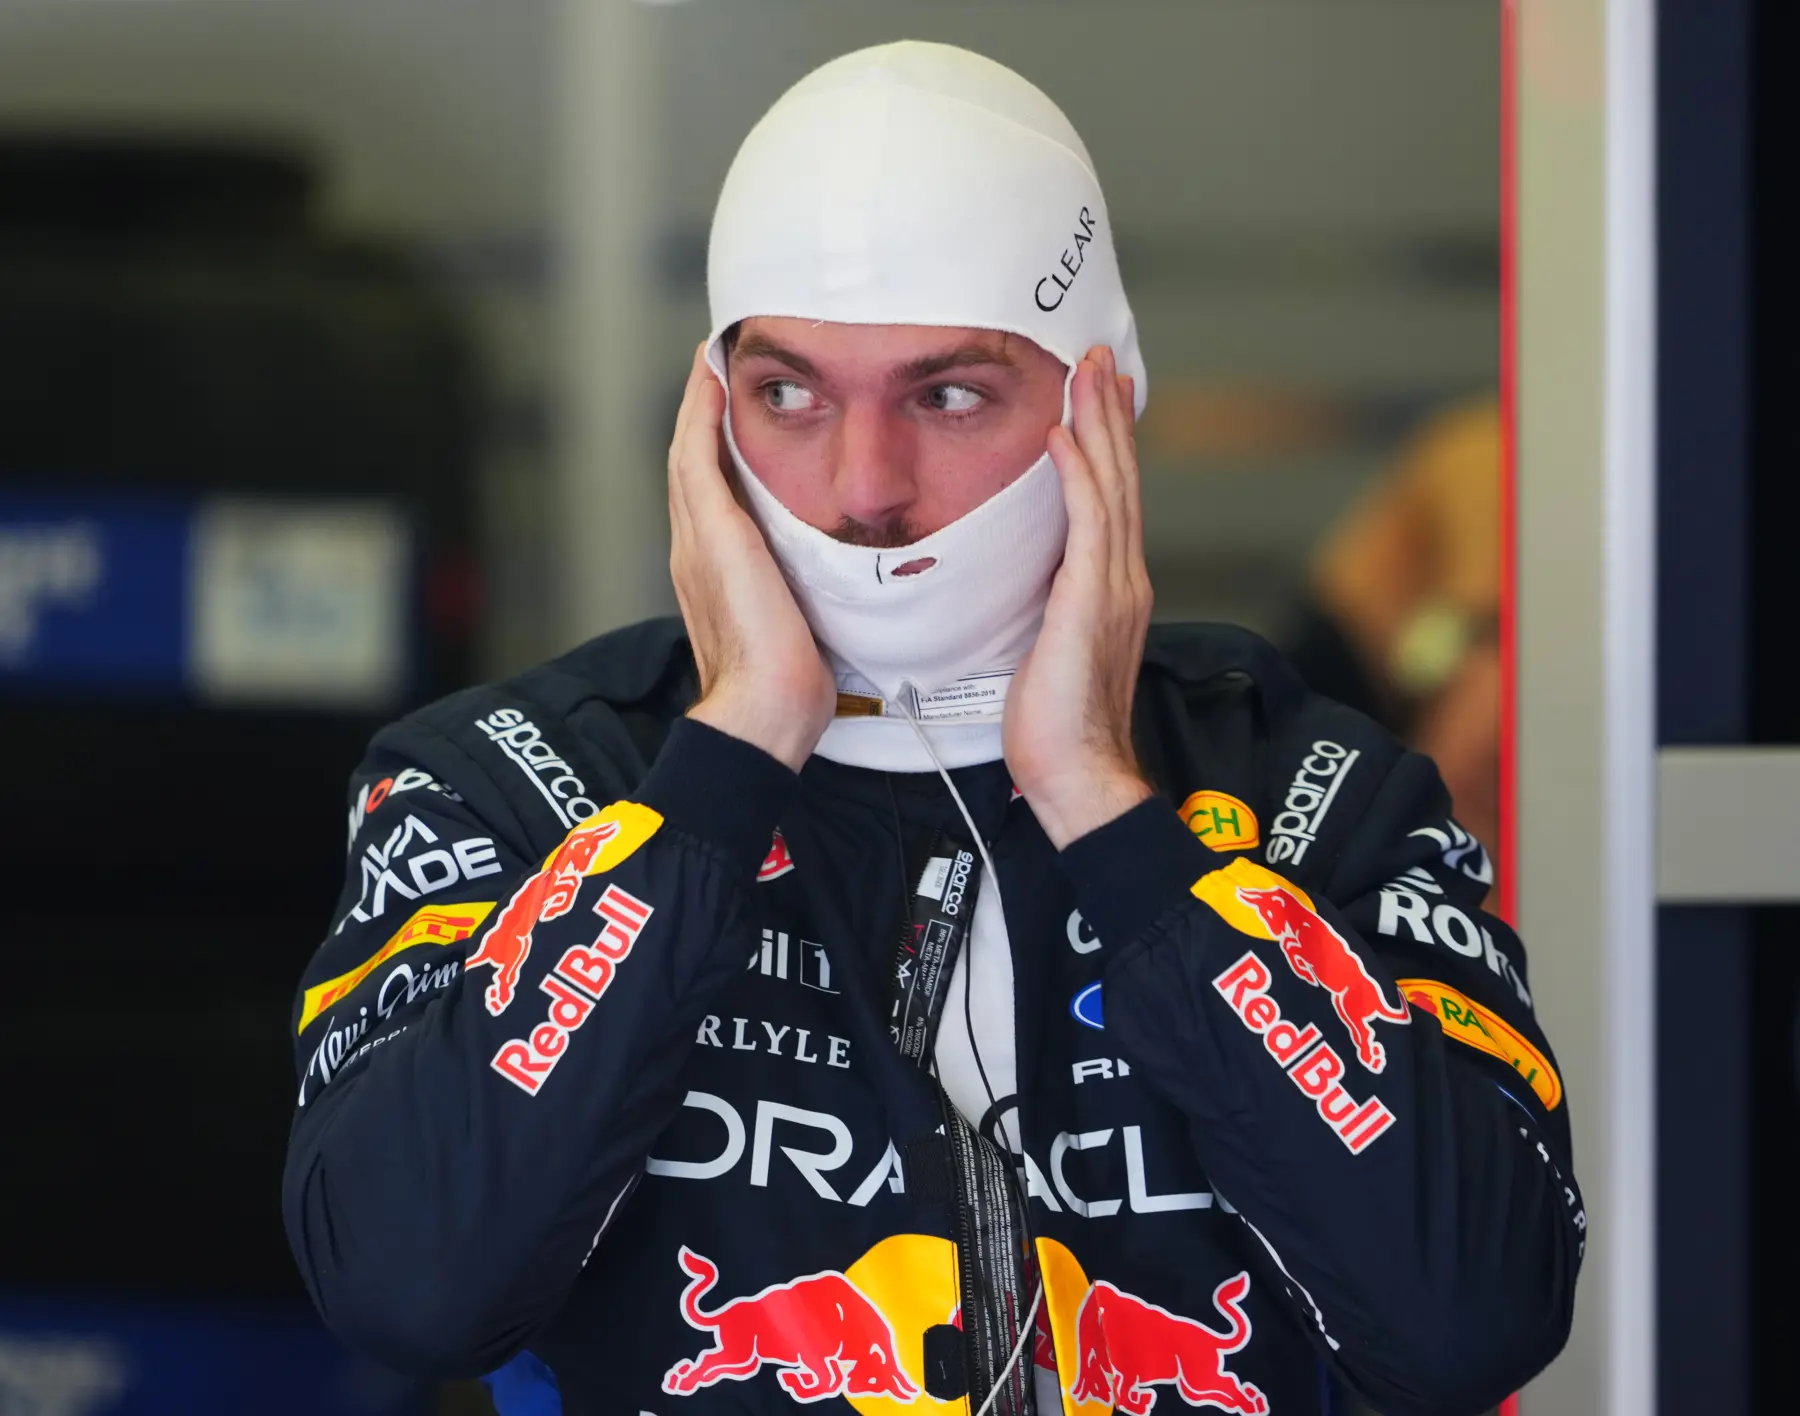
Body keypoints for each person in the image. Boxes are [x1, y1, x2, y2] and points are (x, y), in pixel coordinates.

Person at [283, 43, 1582, 1416]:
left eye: (947, 394)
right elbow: (406, 1291)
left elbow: (1475, 1319)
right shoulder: (514, 785)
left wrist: (1111, 817)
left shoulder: (1313, 796)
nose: (864, 489)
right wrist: (723, 773)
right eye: (789, 395)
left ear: (1099, 404)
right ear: (707, 424)